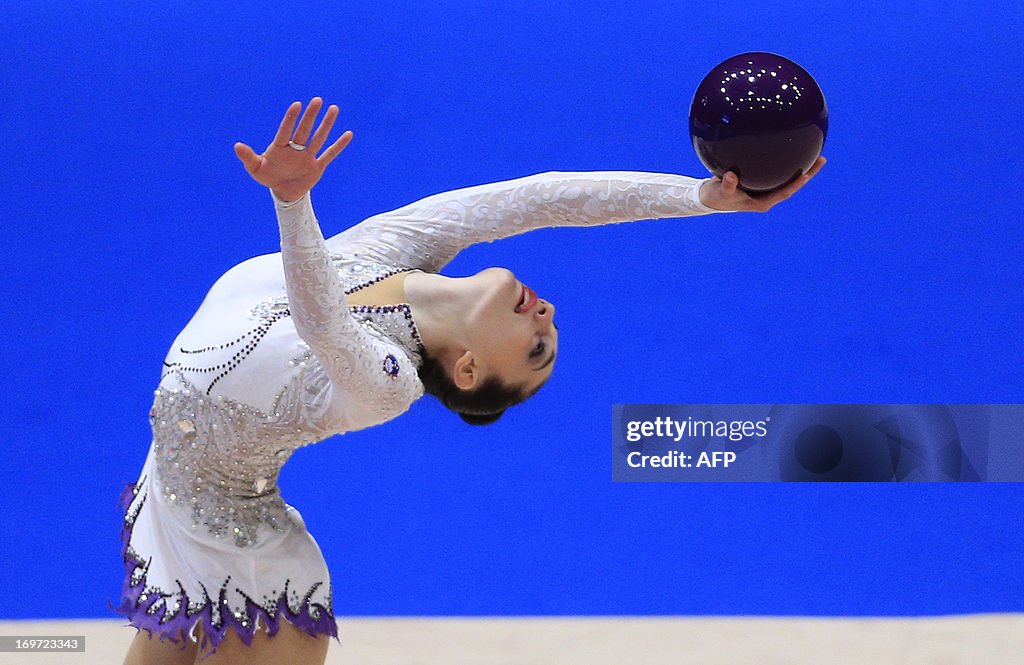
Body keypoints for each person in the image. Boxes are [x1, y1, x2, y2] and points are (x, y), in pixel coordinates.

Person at [117, 97, 825, 665]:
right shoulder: (394, 249)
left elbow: (322, 323)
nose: (546, 313)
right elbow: (542, 198)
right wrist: (703, 197)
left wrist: (293, 203)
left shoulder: (387, 381)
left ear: (468, 370)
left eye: (537, 348)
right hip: (174, 508)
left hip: (253, 570)